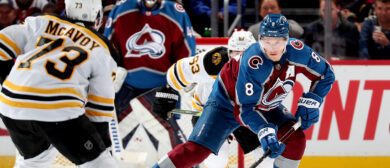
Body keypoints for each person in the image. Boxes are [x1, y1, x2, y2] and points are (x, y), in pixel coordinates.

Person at [153, 14, 335, 168]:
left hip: (263, 106)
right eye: (267, 41)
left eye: (278, 42)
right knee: (199, 152)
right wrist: (167, 90)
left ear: (287, 40)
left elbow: (326, 74)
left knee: (296, 141)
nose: (272, 48)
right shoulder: (250, 62)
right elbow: (244, 109)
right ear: (260, 40)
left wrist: (313, 100)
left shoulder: (298, 52)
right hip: (226, 105)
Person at [0, 0, 120, 167]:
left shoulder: (41, 21)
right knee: (99, 163)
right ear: (98, 17)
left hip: (11, 102)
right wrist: (101, 149)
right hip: (57, 105)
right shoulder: (104, 49)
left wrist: (8, 81)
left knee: (35, 161)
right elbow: (98, 112)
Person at [152, 30, 263, 167]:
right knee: (216, 160)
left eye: (244, 52)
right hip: (211, 114)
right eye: (235, 52)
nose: (239, 57)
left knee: (265, 153)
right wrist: (167, 92)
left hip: (243, 115)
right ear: (229, 52)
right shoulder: (213, 61)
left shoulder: (263, 67)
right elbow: (180, 70)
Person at [103, 0, 196, 157]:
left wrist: (178, 80)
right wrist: (113, 70)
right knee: (112, 136)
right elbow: (107, 44)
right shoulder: (121, 9)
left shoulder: (176, 12)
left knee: (172, 139)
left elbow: (186, 51)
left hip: (162, 89)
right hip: (127, 85)